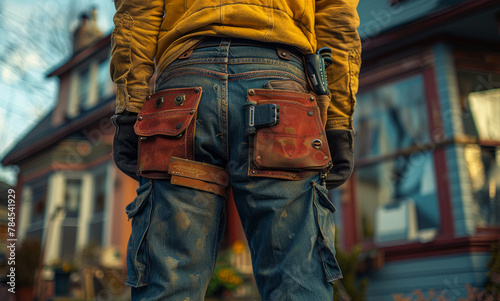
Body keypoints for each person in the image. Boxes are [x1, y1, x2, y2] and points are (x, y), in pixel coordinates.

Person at [110, 0, 361, 300]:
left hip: (183, 86)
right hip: (281, 84)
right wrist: (337, 120)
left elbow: (137, 9)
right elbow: (338, 15)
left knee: (168, 284)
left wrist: (130, 106)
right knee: (297, 281)